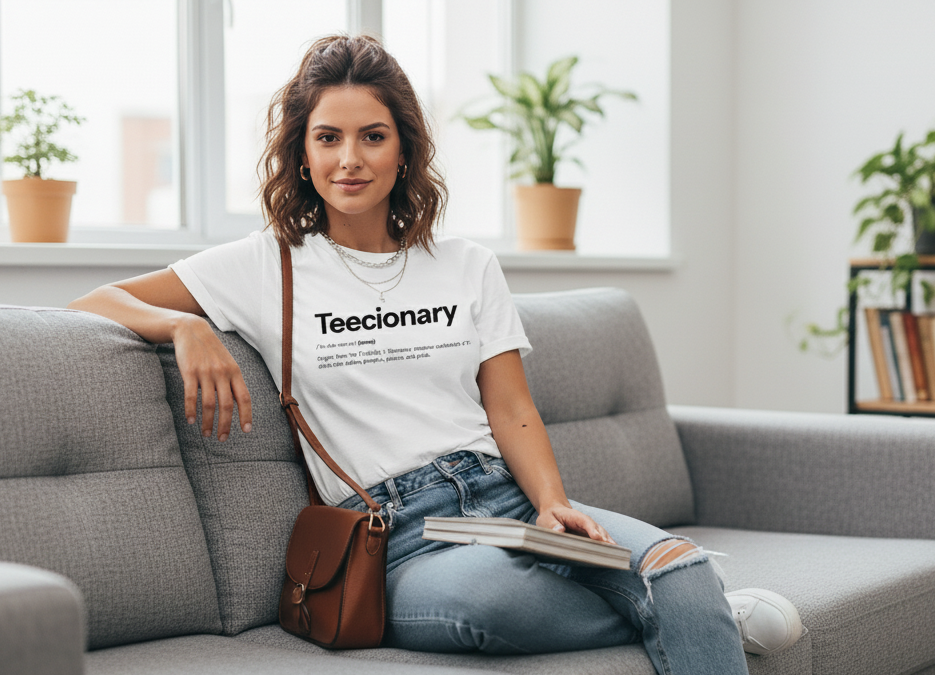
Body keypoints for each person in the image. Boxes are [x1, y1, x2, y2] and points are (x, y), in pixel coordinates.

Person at [69, 34, 802, 673]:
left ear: (404, 148)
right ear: (301, 152)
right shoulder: (269, 265)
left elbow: (510, 406)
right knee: (495, 602)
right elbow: (93, 299)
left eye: (372, 136)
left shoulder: (465, 264)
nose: (348, 159)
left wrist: (550, 504)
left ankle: (686, 597)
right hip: (402, 539)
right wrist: (183, 328)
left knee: (676, 559)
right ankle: (692, 610)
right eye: (327, 137)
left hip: (504, 498)